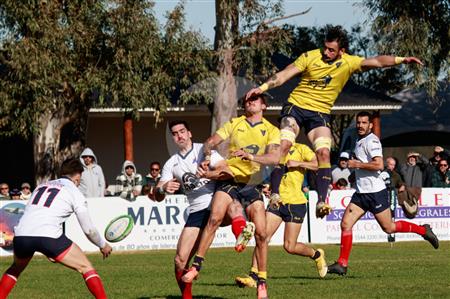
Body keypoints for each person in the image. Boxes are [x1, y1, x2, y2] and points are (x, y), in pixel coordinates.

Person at [245, 25, 423, 220]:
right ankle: (275, 194)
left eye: (331, 50)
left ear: (342, 51)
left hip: (319, 113)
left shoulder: (349, 62)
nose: (326, 53)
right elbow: (284, 74)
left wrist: (402, 60)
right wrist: (261, 88)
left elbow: (377, 61)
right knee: (285, 144)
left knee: (323, 152)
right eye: (325, 48)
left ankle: (322, 201)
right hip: (295, 106)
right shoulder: (309, 56)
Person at [182, 94, 280, 299]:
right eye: (246, 100)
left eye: (254, 99)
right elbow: (210, 142)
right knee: (214, 218)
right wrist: (207, 157)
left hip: (252, 183)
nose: (249, 102)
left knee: (261, 234)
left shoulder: (271, 130)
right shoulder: (235, 123)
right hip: (228, 179)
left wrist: (251, 156)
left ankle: (262, 282)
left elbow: (274, 157)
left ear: (264, 105)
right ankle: (196, 267)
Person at [327, 112, 439, 276]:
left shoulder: (372, 140)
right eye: (358, 123)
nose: (360, 125)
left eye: (364, 123)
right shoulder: (359, 141)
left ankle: (423, 230)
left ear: (371, 125)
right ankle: (342, 264)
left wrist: (356, 164)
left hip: (375, 193)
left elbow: (379, 164)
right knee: (345, 224)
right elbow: (365, 165)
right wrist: (355, 173)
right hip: (361, 193)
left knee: (389, 228)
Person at [0, 158, 112, 298]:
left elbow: (34, 216)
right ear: (77, 177)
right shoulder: (74, 192)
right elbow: (88, 229)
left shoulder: (41, 186)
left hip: (22, 235)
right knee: (86, 267)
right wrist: (103, 244)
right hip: (48, 237)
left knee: (15, 269)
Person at [152, 120, 232, 299]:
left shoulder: (203, 150)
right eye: (175, 133)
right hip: (196, 211)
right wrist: (163, 189)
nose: (179, 135)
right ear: (173, 138)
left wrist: (209, 171)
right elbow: (157, 194)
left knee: (233, 204)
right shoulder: (171, 163)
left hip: (216, 203)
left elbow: (226, 170)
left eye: (182, 131)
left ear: (189, 133)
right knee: (180, 261)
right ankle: (187, 297)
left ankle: (241, 230)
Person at [235, 142, 328, 289]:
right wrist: (268, 187)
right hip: (277, 202)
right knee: (262, 237)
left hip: (296, 203)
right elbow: (271, 171)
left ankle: (316, 255)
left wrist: (298, 163)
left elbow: (319, 165)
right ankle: (253, 276)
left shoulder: (301, 148)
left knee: (289, 246)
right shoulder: (274, 150)